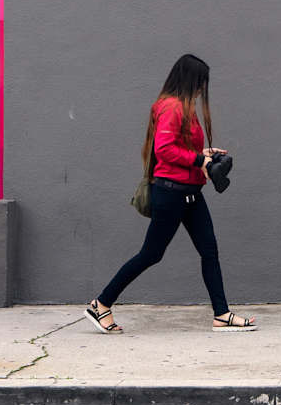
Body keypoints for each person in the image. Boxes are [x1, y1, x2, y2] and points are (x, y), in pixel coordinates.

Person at [84, 53, 256, 333]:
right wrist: (200, 160)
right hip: (171, 194)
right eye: (200, 82)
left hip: (190, 193)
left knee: (209, 250)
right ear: (190, 80)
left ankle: (221, 314)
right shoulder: (172, 107)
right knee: (151, 254)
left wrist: (204, 153)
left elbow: (179, 148)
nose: (202, 89)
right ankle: (101, 303)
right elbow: (163, 149)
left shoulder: (183, 108)